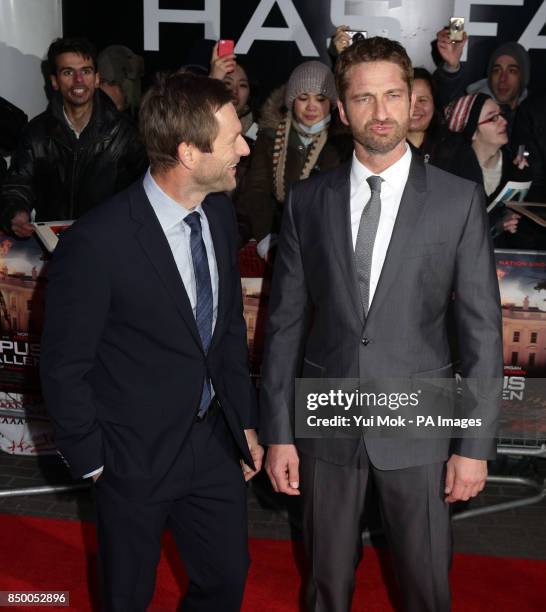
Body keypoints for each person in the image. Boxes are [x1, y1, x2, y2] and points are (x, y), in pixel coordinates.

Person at [260, 37, 502, 611]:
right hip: (327, 418)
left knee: (426, 588)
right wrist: (277, 432)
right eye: (365, 99)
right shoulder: (305, 201)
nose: (382, 112)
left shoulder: (457, 200)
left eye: (394, 95)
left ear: (412, 99)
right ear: (342, 111)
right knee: (325, 585)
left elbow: (482, 332)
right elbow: (285, 325)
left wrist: (475, 445)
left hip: (421, 420)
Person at [40, 72, 263, 611]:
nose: (245, 146)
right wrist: (92, 459)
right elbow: (64, 364)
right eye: (232, 137)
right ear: (188, 152)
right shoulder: (98, 242)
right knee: (128, 596)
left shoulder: (218, 213)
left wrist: (245, 423)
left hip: (213, 444)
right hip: (130, 455)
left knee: (226, 581)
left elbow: (226, 332)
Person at [0, 37, 146, 237]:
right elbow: (18, 185)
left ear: (96, 78)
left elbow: (141, 194)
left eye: (85, 71)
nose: (78, 80)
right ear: (54, 81)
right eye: (68, 72)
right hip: (51, 246)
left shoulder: (124, 132)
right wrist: (16, 213)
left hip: (106, 243)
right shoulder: (37, 132)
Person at [238, 60, 352, 258]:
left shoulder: (343, 142)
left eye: (320, 99)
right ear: (291, 100)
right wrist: (267, 236)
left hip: (328, 245)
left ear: (332, 104)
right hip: (280, 239)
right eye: (303, 98)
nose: (311, 107)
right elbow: (256, 191)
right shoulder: (270, 136)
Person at [435, 93, 532, 244]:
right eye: (493, 118)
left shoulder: (515, 165)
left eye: (501, 114)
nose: (504, 121)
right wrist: (496, 224)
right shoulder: (454, 174)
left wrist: (522, 176)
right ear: (473, 132)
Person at [433, 29, 530, 139]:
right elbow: (447, 101)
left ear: (523, 77)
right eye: (497, 70)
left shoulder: (534, 113)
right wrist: (451, 67)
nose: (503, 78)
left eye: (512, 71)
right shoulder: (471, 109)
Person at [406, 67, 449, 163]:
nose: (414, 107)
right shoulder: (382, 147)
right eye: (408, 100)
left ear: (434, 104)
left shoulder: (456, 147)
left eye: (422, 100)